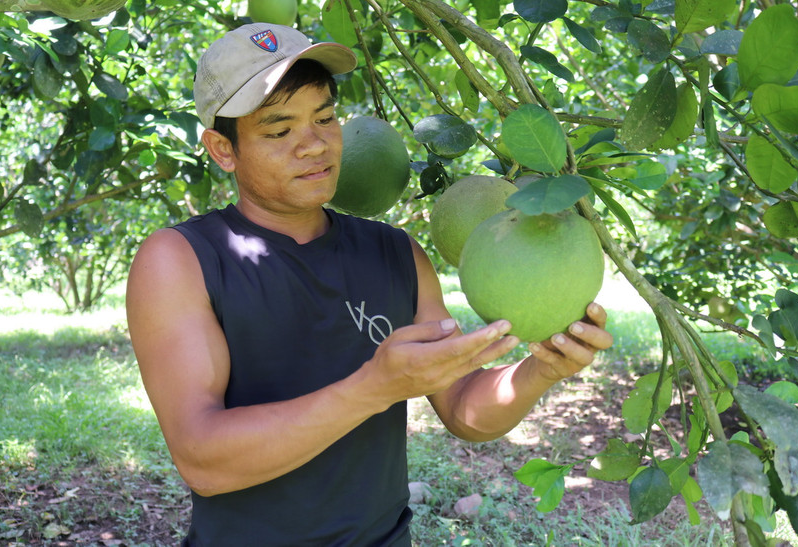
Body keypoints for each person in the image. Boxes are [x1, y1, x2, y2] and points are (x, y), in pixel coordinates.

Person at [126, 22, 613, 546]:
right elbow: (204, 460)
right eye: (279, 130)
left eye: (326, 118)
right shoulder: (182, 260)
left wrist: (541, 370)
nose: (313, 145)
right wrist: (374, 388)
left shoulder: (396, 253)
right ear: (223, 149)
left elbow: (465, 412)